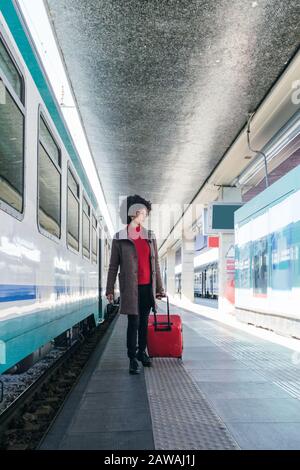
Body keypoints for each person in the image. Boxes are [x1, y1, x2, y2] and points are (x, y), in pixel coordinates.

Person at [105, 195, 166, 374]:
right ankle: (132, 357)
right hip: (131, 287)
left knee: (144, 322)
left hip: (147, 287)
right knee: (134, 321)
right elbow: (113, 266)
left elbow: (155, 264)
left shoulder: (150, 236)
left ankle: (142, 352)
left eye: (146, 212)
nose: (145, 215)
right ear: (132, 213)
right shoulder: (119, 238)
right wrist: (109, 289)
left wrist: (159, 289)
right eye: (143, 212)